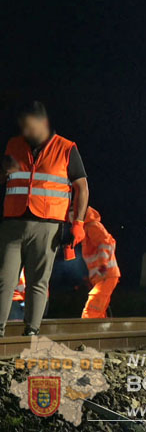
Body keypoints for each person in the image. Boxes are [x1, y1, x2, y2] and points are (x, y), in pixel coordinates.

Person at [0, 101, 89, 337]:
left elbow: (82, 187)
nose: (26, 132)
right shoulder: (14, 145)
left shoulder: (66, 148)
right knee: (4, 279)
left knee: (38, 282)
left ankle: (31, 330)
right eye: (23, 127)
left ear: (44, 123)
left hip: (47, 226)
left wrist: (78, 223)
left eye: (30, 127)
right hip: (12, 224)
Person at [79, 207, 119, 318]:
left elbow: (105, 244)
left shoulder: (92, 227)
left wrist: (103, 264)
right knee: (99, 311)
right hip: (102, 276)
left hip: (105, 274)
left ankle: (85, 332)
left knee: (91, 310)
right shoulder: (88, 228)